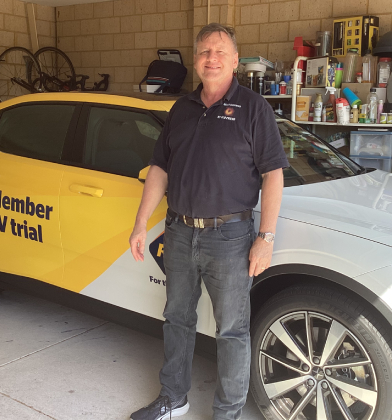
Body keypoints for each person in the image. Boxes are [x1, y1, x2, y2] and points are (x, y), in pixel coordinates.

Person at [128, 22, 288, 420]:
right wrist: (140, 222)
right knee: (176, 318)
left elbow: (273, 174)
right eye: (203, 52)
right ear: (196, 60)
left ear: (235, 60)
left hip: (231, 238)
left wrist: (265, 237)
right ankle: (173, 398)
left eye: (219, 52)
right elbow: (159, 169)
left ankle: (228, 413)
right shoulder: (181, 109)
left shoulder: (254, 109)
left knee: (232, 331)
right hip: (180, 232)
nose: (211, 58)